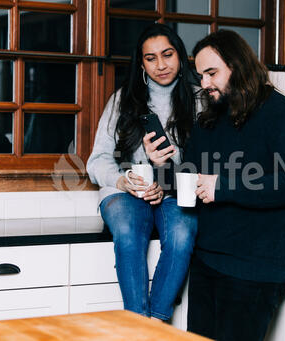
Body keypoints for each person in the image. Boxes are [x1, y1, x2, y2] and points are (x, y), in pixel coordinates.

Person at [183, 30, 285, 340]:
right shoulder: (209, 120)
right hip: (206, 259)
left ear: (238, 65)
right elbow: (189, 178)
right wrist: (160, 163)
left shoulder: (284, 116)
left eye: (211, 72)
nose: (204, 83)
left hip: (255, 267)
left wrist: (224, 187)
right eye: (201, 75)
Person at [86, 23, 198, 321]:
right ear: (141, 62)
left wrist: (164, 175)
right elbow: (97, 161)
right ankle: (137, 323)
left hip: (172, 192)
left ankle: (156, 324)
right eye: (151, 58)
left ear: (180, 55)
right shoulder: (122, 100)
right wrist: (121, 181)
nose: (161, 65)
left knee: (183, 236)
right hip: (125, 192)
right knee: (127, 233)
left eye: (168, 54)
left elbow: (203, 166)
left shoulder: (199, 100)